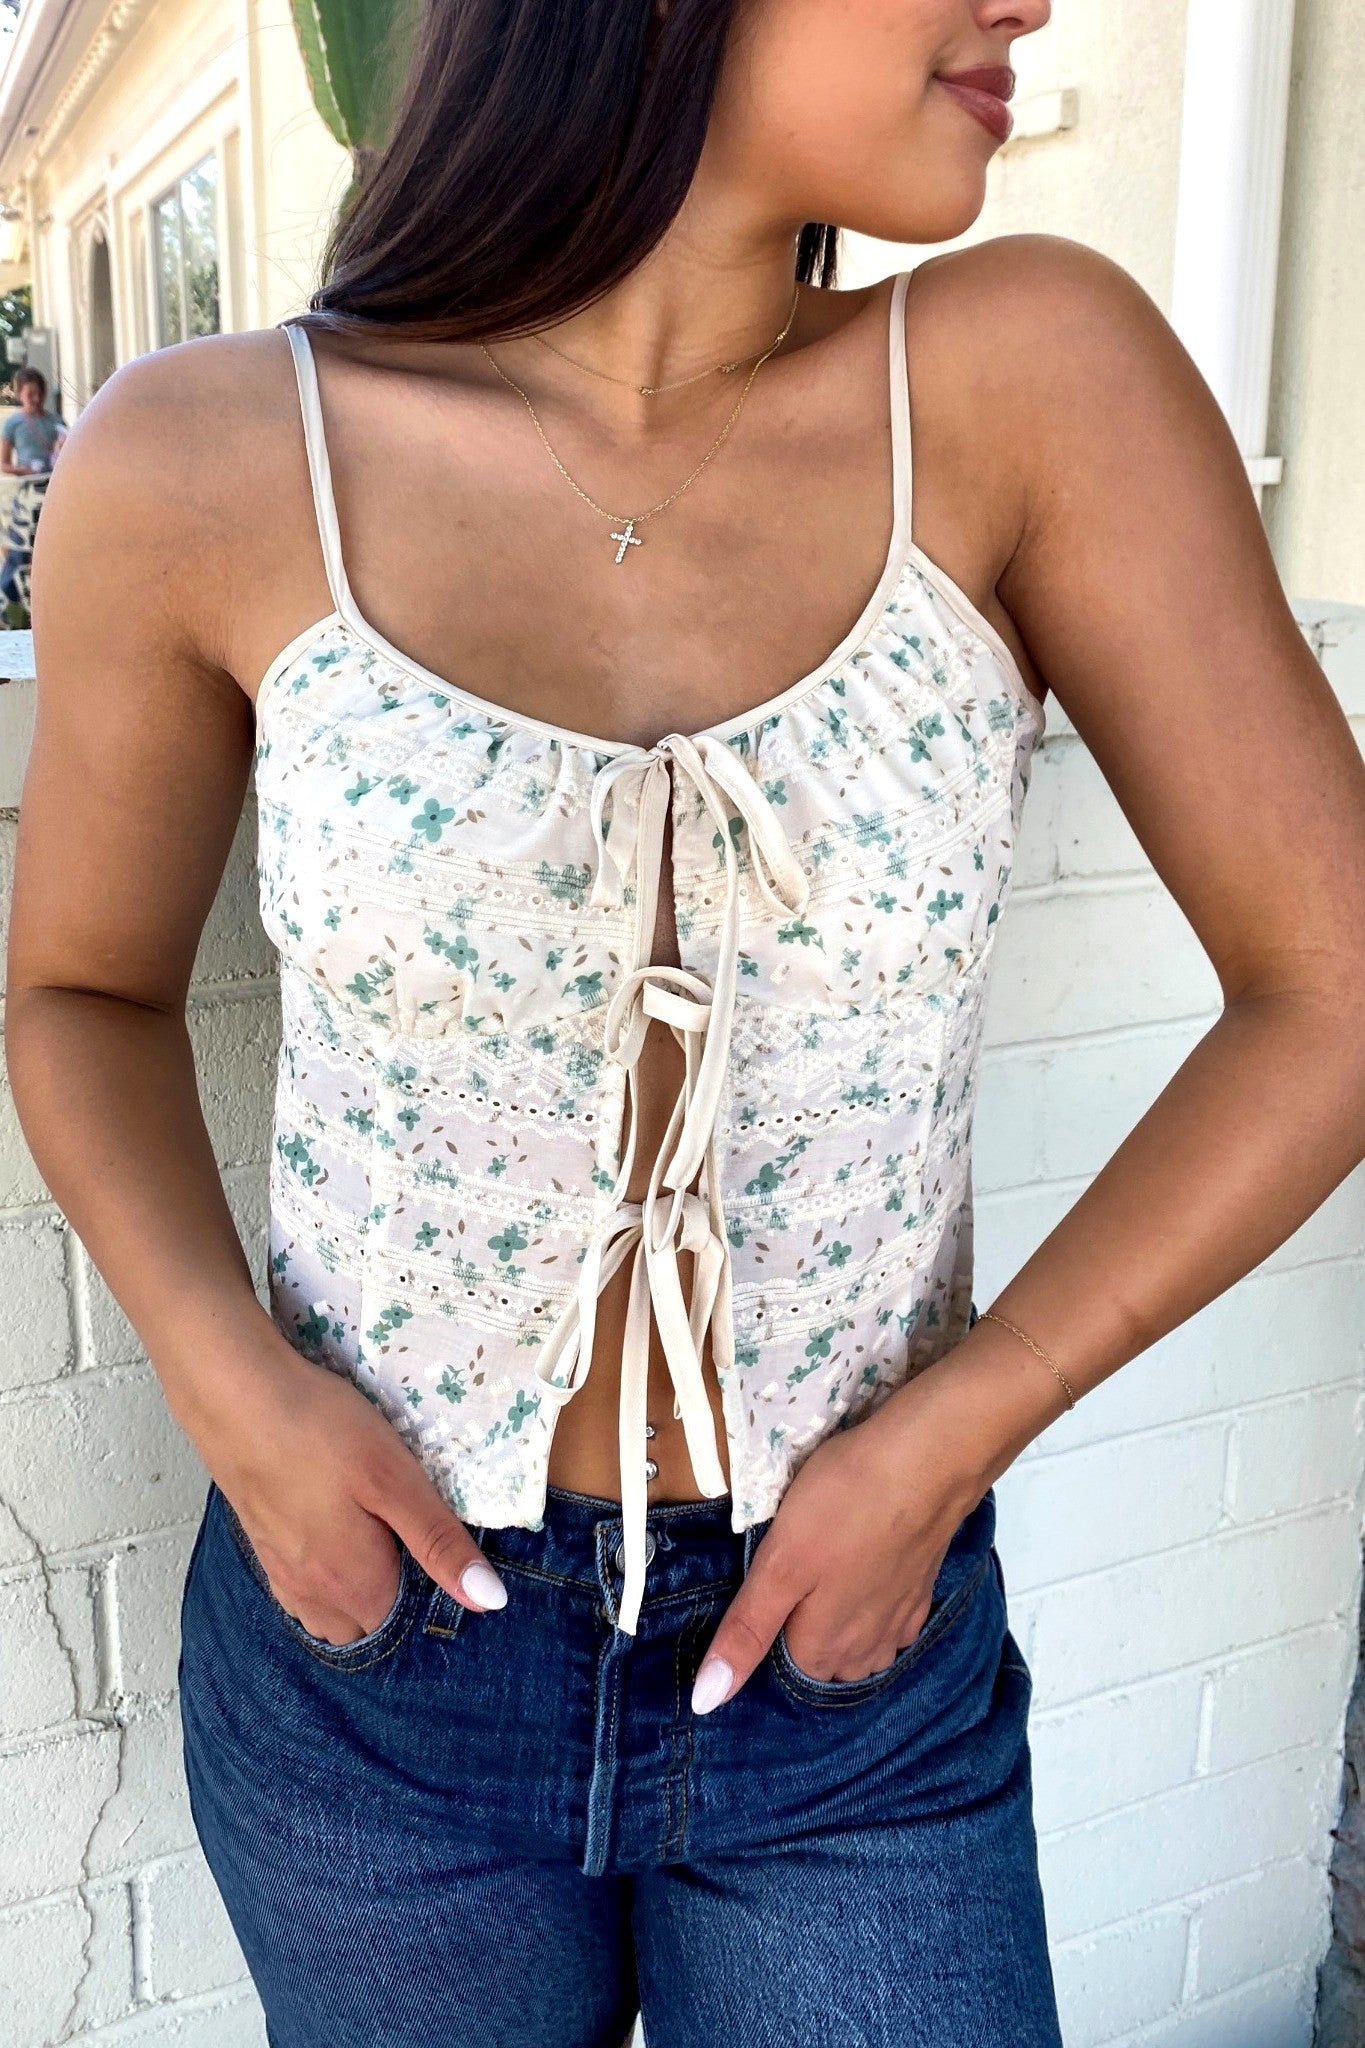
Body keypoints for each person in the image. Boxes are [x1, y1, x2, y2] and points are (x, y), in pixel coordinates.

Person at [8, 2, 1365, 2043]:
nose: (1028, 1)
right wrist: (237, 1402)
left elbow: (1331, 990)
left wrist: (952, 1438)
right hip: (376, 1659)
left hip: (851, 1664)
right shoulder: (205, 454)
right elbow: (79, 988)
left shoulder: (1029, 383)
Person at [0, 364, 67, 475]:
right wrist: (23, 470)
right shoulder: (12, 423)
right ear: (19, 394)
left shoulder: (57, 422)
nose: (37, 399)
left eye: (40, 394)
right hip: (30, 482)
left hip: (54, 479)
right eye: (30, 395)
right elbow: (4, 464)